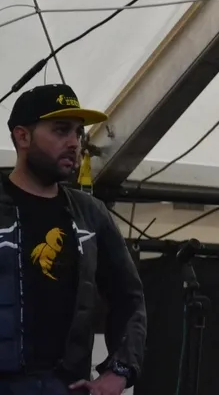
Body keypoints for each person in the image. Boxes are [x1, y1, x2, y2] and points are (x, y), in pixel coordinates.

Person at [0, 84, 146, 395]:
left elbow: (129, 298)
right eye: (61, 130)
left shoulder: (91, 214)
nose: (74, 143)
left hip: (65, 385)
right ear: (22, 136)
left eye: (78, 133)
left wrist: (119, 371)